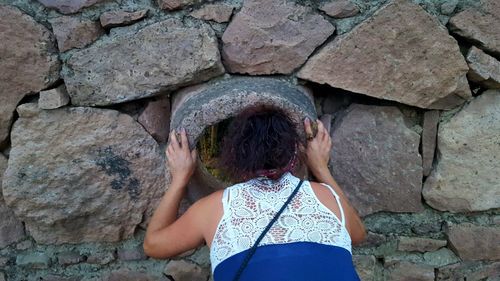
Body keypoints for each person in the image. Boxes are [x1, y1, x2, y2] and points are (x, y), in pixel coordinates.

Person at [144, 106, 366, 281]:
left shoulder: (213, 208)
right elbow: (358, 234)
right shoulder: (326, 197)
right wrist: (321, 169)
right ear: (296, 152)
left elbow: (153, 245)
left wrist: (180, 179)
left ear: (235, 157)